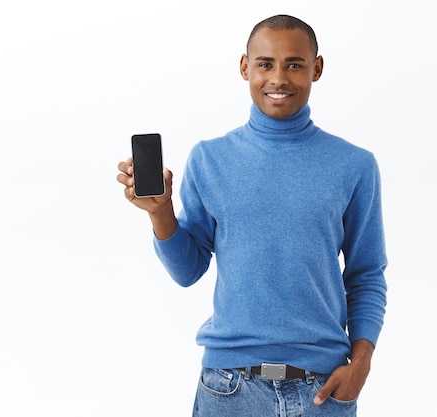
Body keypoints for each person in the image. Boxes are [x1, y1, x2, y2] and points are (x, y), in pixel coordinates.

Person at [116, 14, 387, 417]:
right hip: (228, 389)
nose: (278, 78)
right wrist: (161, 213)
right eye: (265, 64)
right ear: (245, 67)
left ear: (317, 68)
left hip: (322, 391)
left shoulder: (354, 165)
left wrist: (361, 365)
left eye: (294, 64)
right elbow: (188, 271)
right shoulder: (210, 159)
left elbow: (365, 274)